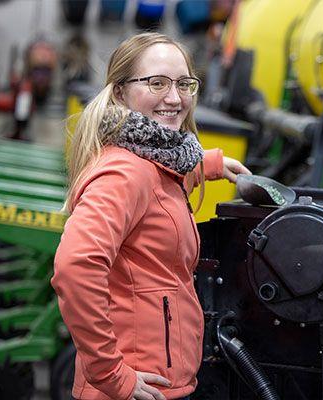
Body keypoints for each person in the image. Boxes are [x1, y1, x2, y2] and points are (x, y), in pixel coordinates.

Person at [51, 32, 251, 400]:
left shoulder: (156, 159)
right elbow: (75, 266)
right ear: (120, 92)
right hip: (136, 388)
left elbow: (160, 194)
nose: (174, 98)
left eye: (183, 84)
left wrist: (210, 165)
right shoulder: (125, 174)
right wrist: (112, 375)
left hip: (162, 379)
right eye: (156, 83)